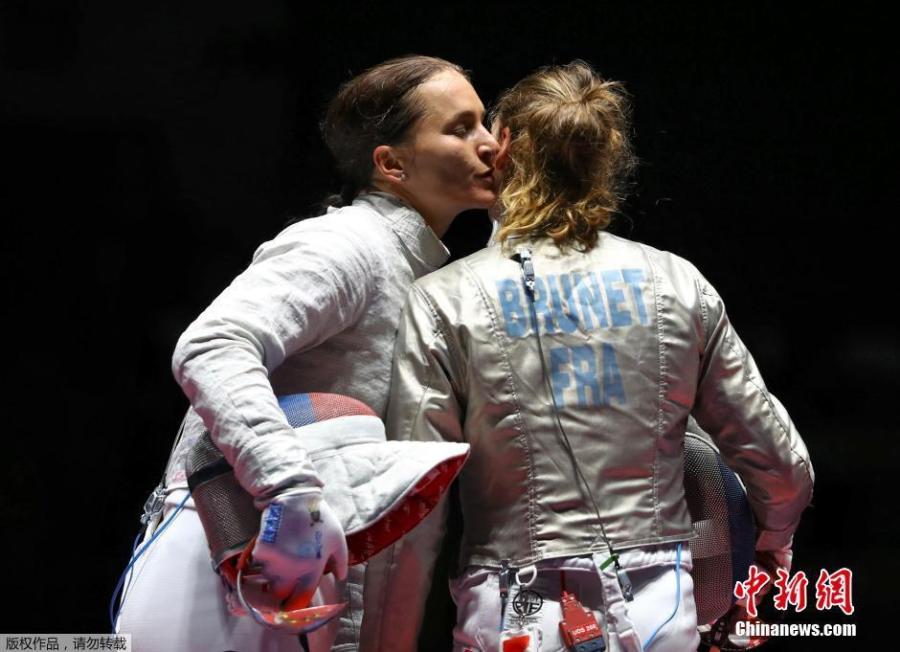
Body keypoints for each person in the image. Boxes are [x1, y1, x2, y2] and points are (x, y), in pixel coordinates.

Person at [361, 60, 814, 651]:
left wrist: (387, 642)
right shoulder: (678, 283)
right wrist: (773, 537)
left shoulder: (445, 298)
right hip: (661, 612)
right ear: (607, 158)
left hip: (515, 614)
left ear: (504, 148)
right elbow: (778, 460)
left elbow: (415, 505)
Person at [114, 54, 499, 652]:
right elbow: (213, 345)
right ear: (391, 163)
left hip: (307, 587)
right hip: (241, 571)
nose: (490, 143)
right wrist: (287, 489)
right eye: (460, 127)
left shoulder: (423, 270)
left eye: (485, 122)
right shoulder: (346, 244)